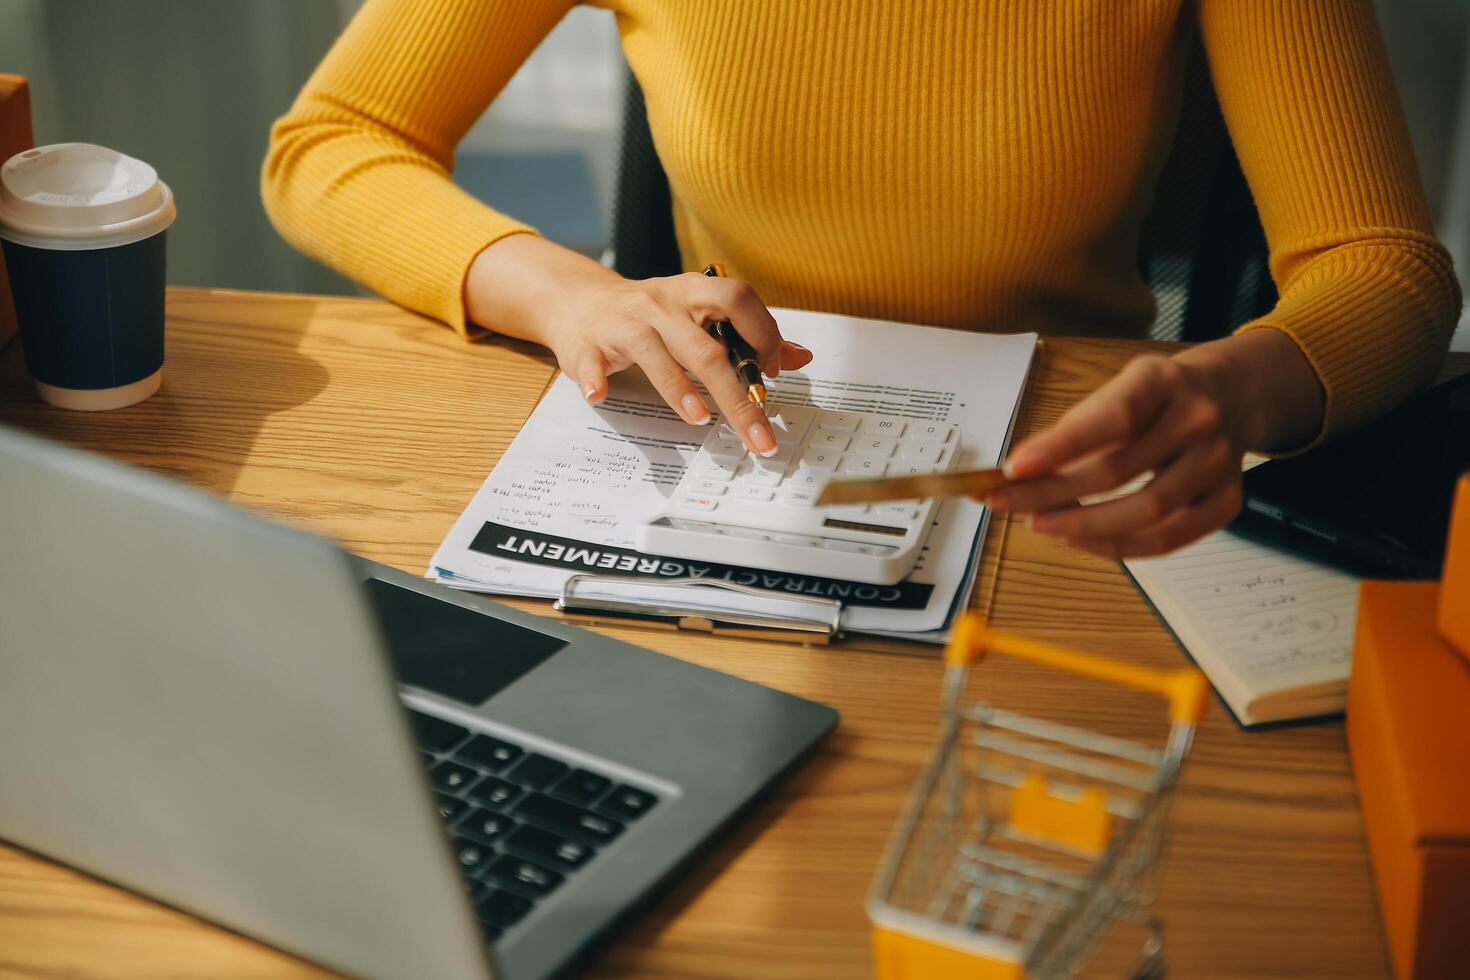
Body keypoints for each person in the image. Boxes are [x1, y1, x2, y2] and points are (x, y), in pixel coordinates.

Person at [262, 0, 1461, 559]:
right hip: (739, 457)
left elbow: (1386, 271)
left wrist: (1235, 391)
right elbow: (333, 141)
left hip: (1066, 501)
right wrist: (568, 293)